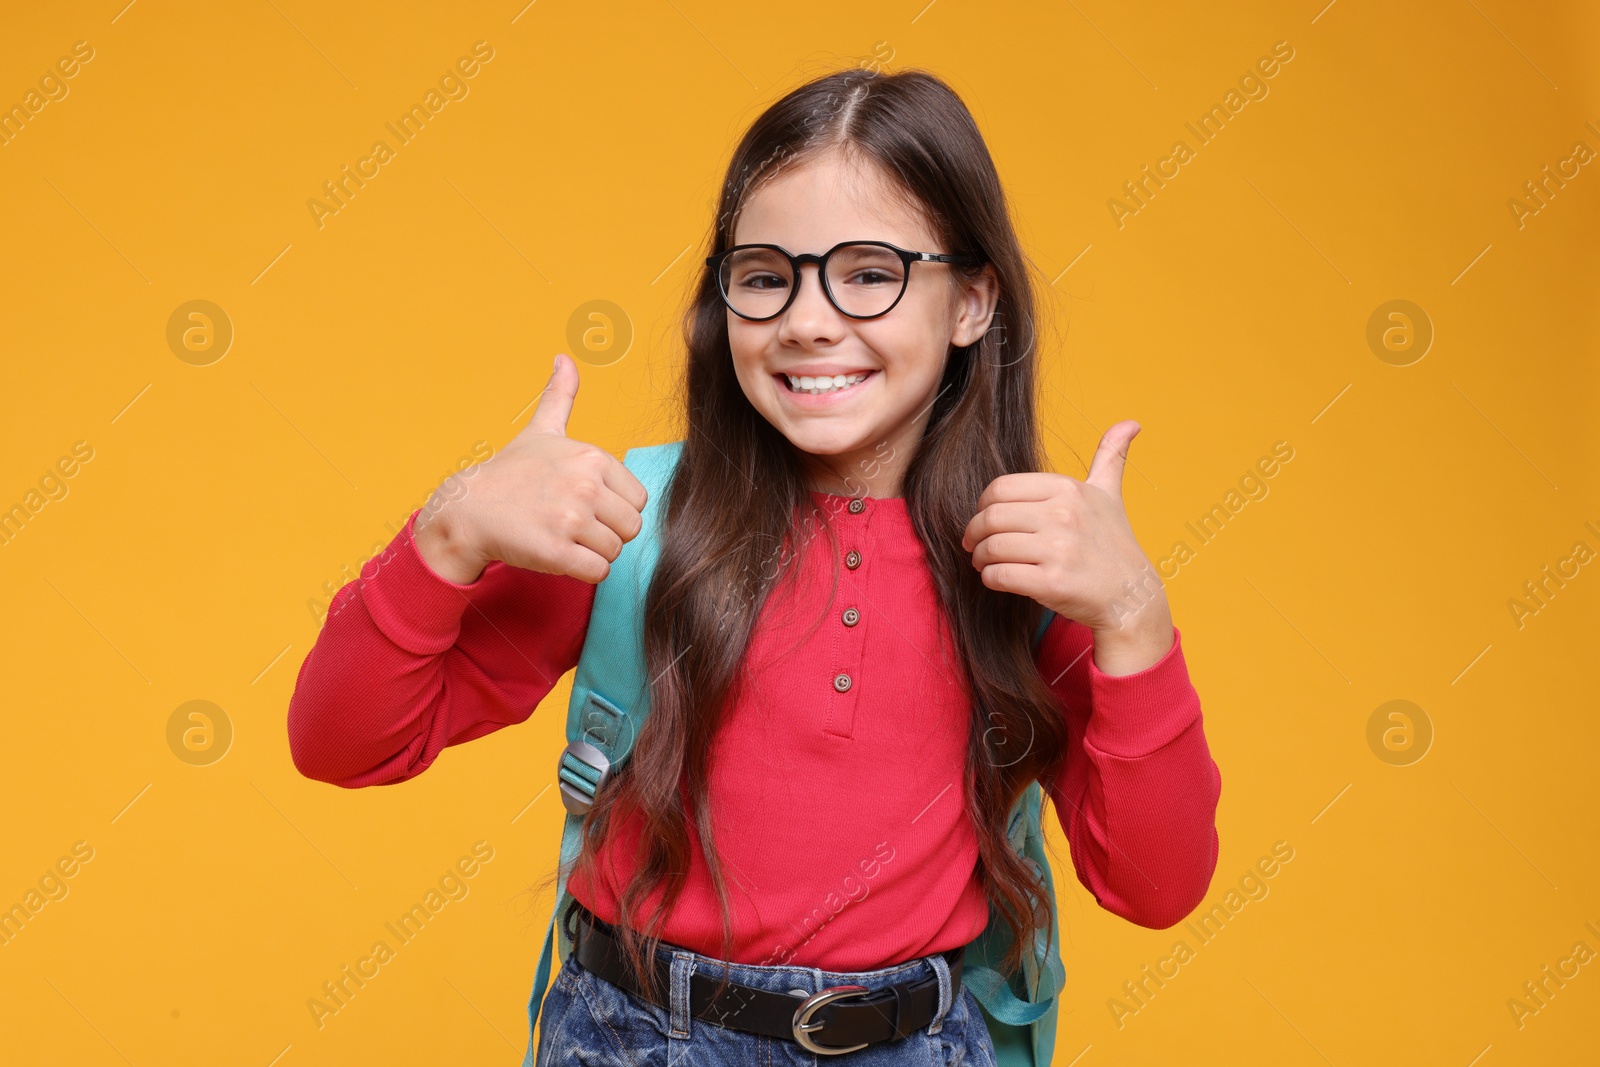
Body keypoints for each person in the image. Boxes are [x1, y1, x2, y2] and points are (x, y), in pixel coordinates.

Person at [287, 65, 1221, 1066]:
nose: (808, 319)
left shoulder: (1028, 560)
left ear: (971, 302)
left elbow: (1156, 886)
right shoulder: (635, 522)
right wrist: (449, 528)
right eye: (766, 275)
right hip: (635, 1035)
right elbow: (342, 741)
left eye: (869, 272)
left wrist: (1133, 614)